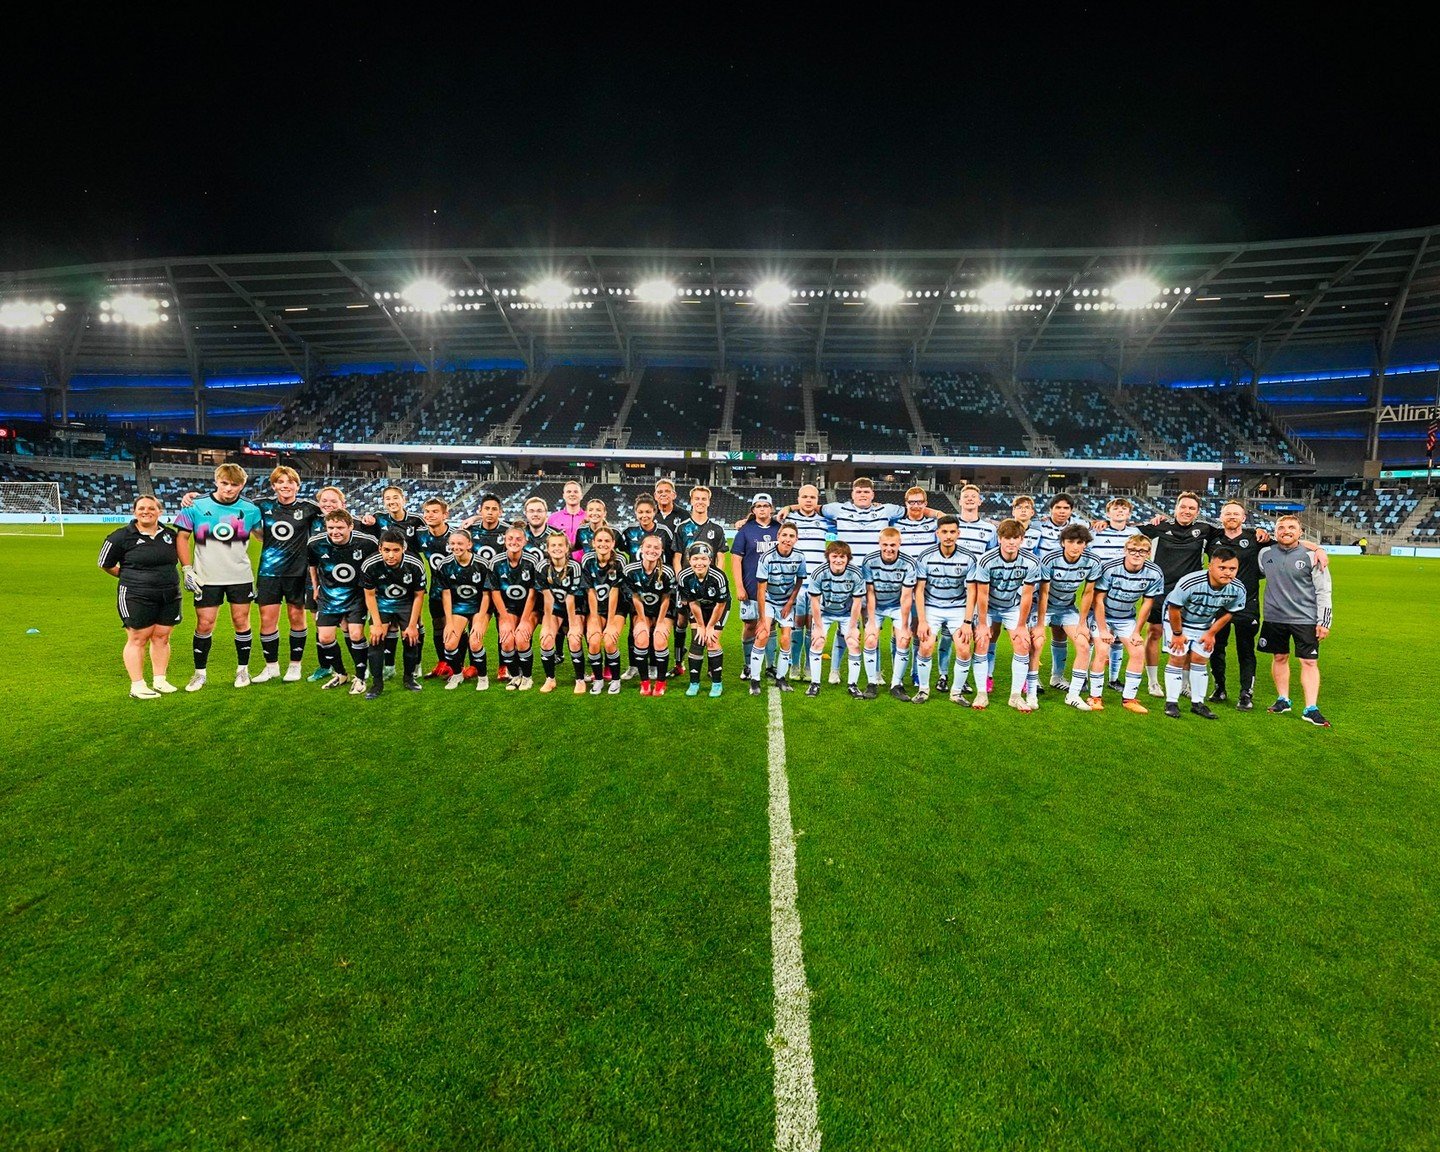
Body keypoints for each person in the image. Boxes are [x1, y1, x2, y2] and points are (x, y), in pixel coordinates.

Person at [174, 463, 263, 691]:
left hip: (239, 576)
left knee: (241, 622)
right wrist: (186, 568)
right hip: (206, 577)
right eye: (224, 483)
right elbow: (182, 538)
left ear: (242, 485)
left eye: (234, 485)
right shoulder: (195, 505)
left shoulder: (251, 509)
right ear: (216, 481)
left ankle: (242, 670)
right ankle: (199, 674)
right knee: (204, 624)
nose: (228, 489)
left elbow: (262, 537)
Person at [98, 494, 183, 699]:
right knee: (138, 638)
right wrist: (130, 576)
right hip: (136, 594)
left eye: (151, 508)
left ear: (160, 511)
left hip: (169, 593)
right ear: (134, 511)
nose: (146, 511)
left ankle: (160, 680)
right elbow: (105, 564)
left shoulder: (170, 535)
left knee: (162, 637)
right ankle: (137, 685)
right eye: (141, 508)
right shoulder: (120, 537)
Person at [247, 466, 325, 684]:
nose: (285, 486)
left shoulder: (309, 507)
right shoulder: (263, 505)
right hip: (269, 572)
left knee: (296, 617)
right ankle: (271, 667)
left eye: (290, 482)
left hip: (299, 573)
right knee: (267, 620)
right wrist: (195, 497)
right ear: (274, 486)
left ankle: (295, 666)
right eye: (280, 482)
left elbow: (334, 511)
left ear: (297, 486)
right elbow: (232, 504)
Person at [1258, 514, 1334, 727]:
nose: (1286, 531)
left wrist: (1324, 621)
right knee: (1279, 657)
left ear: (1300, 532)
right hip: (1274, 617)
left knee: (1309, 661)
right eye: (1281, 527)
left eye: (1291, 527)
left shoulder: (1312, 556)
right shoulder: (1265, 553)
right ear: (1275, 532)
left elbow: (1324, 590)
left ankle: (1311, 708)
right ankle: (1283, 700)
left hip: (1306, 619)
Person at [1139, 492, 1210, 697]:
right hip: (1160, 589)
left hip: (1190, 594)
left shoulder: (1205, 530)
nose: (1186, 511)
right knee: (1155, 632)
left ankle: (1184, 683)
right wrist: (1101, 523)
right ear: (1175, 509)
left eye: (1191, 508)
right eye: (1183, 507)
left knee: (1188, 636)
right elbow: (1129, 530)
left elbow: (1234, 534)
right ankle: (1153, 681)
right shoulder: (1160, 527)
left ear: (1197, 512)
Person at [1161, 547, 1246, 720]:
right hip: (1178, 620)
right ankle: (1171, 702)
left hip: (1204, 624)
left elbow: (1230, 612)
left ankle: (1197, 703)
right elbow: (1174, 608)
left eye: (1232, 569)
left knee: (1200, 660)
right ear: (1210, 566)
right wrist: (1177, 634)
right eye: (1222, 568)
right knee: (1177, 657)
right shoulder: (1190, 582)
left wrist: (1211, 633)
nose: (1228, 573)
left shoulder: (1238, 588)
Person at [306, 509, 379, 695]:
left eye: (340, 527)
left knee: (355, 634)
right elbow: (312, 566)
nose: (334, 531)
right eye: (330, 527)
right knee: (324, 638)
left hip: (356, 596)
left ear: (351, 526)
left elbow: (376, 566)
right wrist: (315, 587)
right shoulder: (316, 543)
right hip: (328, 597)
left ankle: (361, 676)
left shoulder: (367, 543)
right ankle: (340, 674)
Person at [973, 519, 1043, 712]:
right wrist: (982, 624)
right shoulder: (986, 560)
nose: (1011, 542)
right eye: (1007, 538)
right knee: (981, 642)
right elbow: (982, 594)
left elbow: (1028, 594)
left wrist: (1021, 625)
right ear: (999, 539)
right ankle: (981, 693)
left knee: (1022, 644)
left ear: (1022, 539)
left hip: (1012, 606)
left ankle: (1015, 696)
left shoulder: (1031, 561)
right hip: (988, 606)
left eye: (1016, 538)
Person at [1090, 534, 1166, 713]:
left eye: (1142, 551)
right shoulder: (1110, 568)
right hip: (1103, 616)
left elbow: (1147, 603)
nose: (1137, 554)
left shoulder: (1155, 572)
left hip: (1126, 618)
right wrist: (1103, 630)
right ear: (1125, 551)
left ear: (1149, 553)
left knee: (1138, 652)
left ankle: (1129, 699)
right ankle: (1095, 697)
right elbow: (1098, 600)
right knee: (1101, 650)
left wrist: (1137, 632)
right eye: (1132, 550)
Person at [913, 516, 980, 706]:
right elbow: (919, 590)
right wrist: (922, 620)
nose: (948, 536)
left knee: (964, 648)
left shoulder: (968, 558)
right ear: (938, 533)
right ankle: (923, 690)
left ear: (959, 534)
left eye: (952, 532)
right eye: (944, 532)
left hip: (958, 607)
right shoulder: (926, 556)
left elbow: (971, 592)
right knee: (925, 646)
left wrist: (968, 622)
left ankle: (956, 693)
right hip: (932, 606)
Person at [1036, 524, 1102, 711]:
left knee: (1083, 644)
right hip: (1044, 606)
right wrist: (1040, 623)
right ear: (1063, 543)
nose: (1075, 546)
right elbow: (1043, 593)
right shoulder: (1050, 559)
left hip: (1067, 607)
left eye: (1079, 542)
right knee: (1036, 641)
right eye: (1070, 541)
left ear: (1085, 544)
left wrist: (1082, 623)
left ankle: (1071, 693)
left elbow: (1088, 593)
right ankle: (1031, 684)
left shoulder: (1093, 561)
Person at [774, 484, 833, 681]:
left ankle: (808, 666)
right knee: (797, 624)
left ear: (818, 501)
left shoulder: (825, 520)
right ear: (798, 499)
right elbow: (763, 520)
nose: (808, 500)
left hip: (817, 583)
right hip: (794, 583)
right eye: (804, 497)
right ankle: (794, 665)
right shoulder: (788, 519)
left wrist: (790, 506)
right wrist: (789, 508)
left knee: (812, 624)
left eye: (812, 497)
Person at [360, 528, 428, 698]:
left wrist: (413, 625)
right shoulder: (370, 564)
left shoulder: (415, 564)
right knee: (376, 639)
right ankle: (376, 684)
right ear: (380, 549)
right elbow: (369, 595)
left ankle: (409, 678)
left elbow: (419, 596)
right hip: (382, 603)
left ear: (403, 548)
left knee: (412, 638)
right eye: (387, 550)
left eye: (395, 550)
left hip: (406, 603)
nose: (391, 555)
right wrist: (376, 624)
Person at [673, 486, 728, 677]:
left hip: (710, 586)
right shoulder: (682, 528)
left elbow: (721, 557)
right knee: (682, 622)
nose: (700, 501)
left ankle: (713, 668)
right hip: (688, 585)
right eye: (697, 498)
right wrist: (682, 583)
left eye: (704, 498)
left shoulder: (717, 529)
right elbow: (677, 557)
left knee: (710, 629)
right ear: (691, 501)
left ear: (709, 501)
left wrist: (716, 579)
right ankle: (679, 662)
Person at [803, 540, 866, 698]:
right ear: (828, 557)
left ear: (848, 558)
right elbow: (815, 602)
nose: (838, 560)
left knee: (853, 643)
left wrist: (852, 627)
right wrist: (817, 627)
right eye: (835, 556)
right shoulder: (819, 573)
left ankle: (853, 685)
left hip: (846, 614)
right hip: (824, 613)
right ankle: (815, 684)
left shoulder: (856, 574)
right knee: (818, 641)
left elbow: (857, 603)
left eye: (842, 557)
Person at [861, 526, 918, 699]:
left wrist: (905, 624)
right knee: (870, 638)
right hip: (876, 605)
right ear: (879, 543)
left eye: (893, 545)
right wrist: (871, 621)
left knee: (903, 639)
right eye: (885, 545)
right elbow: (869, 592)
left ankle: (896, 684)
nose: (889, 549)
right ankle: (872, 683)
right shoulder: (869, 561)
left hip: (897, 606)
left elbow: (907, 597)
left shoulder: (909, 563)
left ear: (899, 543)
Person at [750, 523, 806, 694]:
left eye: (791, 536)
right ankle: (754, 681)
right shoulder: (766, 557)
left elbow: (799, 580)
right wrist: (762, 619)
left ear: (796, 539)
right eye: (784, 535)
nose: (787, 539)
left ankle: (781, 678)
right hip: (768, 600)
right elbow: (760, 590)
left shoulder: (800, 557)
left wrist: (790, 603)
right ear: (778, 536)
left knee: (786, 639)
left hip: (786, 602)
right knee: (762, 635)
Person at [731, 493, 780, 682]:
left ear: (771, 508)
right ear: (753, 510)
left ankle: (770, 666)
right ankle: (748, 665)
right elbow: (736, 560)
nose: (762, 509)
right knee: (750, 625)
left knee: (772, 625)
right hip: (751, 587)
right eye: (758, 506)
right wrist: (739, 587)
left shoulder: (779, 528)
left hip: (775, 589)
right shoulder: (745, 530)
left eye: (765, 505)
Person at [437, 528, 492, 691]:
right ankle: (457, 674)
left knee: (475, 642)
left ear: (469, 544)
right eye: (452, 543)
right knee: (449, 642)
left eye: (460, 543)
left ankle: (483, 677)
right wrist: (448, 622)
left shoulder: (482, 564)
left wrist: (480, 620)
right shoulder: (444, 565)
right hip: (459, 607)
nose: (456, 547)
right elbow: (446, 595)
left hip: (479, 607)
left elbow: (486, 596)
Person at [489, 523, 543, 690]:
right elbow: (495, 592)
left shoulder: (532, 561)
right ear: (504, 541)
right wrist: (504, 619)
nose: (514, 541)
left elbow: (533, 593)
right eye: (510, 538)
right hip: (508, 609)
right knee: (506, 640)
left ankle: (527, 677)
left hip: (531, 608)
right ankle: (515, 675)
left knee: (521, 638)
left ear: (525, 542)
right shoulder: (496, 562)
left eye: (518, 539)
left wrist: (524, 620)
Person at [623, 533, 677, 695]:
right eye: (648, 546)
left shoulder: (667, 571)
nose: (652, 550)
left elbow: (666, 599)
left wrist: (659, 622)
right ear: (641, 548)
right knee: (641, 637)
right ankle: (645, 682)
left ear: (661, 551)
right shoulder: (631, 570)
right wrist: (642, 620)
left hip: (663, 610)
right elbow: (635, 597)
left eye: (656, 548)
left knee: (659, 638)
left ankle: (661, 682)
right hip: (642, 611)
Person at [675, 541, 730, 697]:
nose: (699, 562)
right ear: (689, 560)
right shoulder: (685, 577)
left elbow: (720, 605)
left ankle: (717, 683)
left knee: (712, 641)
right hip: (698, 607)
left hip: (718, 608)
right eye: (695, 558)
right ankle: (694, 683)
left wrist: (710, 626)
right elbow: (692, 602)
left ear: (710, 560)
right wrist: (700, 625)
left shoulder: (718, 577)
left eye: (703, 559)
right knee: (698, 641)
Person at [536, 531, 588, 694]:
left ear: (567, 548)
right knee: (546, 638)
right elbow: (547, 598)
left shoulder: (574, 566)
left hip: (576, 609)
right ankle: (550, 679)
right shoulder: (542, 567)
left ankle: (580, 680)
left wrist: (572, 625)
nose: (557, 548)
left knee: (573, 639)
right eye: (553, 545)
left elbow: (571, 599)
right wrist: (547, 623)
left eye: (560, 545)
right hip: (555, 608)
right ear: (548, 548)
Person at [414, 497, 458, 677]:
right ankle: (443, 662)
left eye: (434, 511)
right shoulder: (420, 534)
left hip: (457, 591)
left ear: (445, 514)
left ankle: (459, 664)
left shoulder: (456, 535)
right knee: (437, 625)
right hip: (436, 590)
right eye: (427, 512)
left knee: (456, 627)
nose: (430, 515)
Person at [583, 527, 628, 693]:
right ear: (593, 543)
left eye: (607, 541)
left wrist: (609, 623)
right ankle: (599, 680)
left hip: (616, 609)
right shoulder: (587, 560)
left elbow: (615, 593)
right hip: (596, 608)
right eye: (599, 541)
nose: (603, 544)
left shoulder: (619, 561)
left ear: (613, 543)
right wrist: (594, 618)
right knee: (594, 641)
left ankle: (616, 680)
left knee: (609, 640)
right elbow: (590, 591)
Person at [546, 479, 587, 547]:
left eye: (576, 492)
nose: (572, 494)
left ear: (581, 496)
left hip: (583, 557)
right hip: (559, 556)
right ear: (564, 496)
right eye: (569, 492)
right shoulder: (552, 518)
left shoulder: (588, 517)